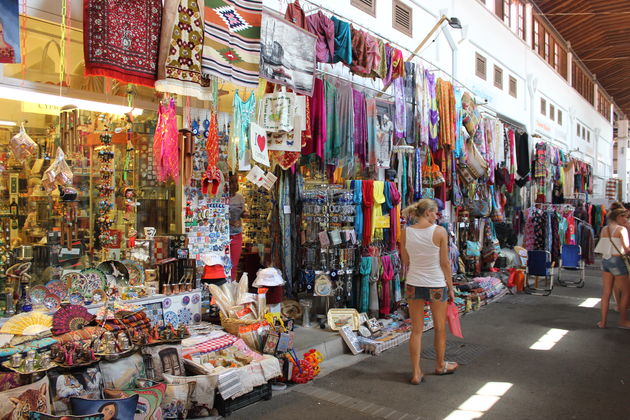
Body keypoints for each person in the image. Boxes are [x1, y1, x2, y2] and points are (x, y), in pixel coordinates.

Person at [401, 198, 458, 385]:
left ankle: (416, 372)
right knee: (440, 327)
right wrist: (451, 288)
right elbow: (444, 263)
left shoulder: (405, 232)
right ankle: (440, 365)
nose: (437, 216)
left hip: (414, 283)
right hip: (435, 284)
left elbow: (405, 261)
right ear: (427, 212)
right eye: (435, 212)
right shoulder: (439, 232)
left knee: (416, 330)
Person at [594, 205, 630, 329]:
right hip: (617, 261)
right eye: (624, 217)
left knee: (606, 292)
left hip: (605, 261)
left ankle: (603, 322)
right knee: (626, 292)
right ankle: (623, 321)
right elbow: (626, 248)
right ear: (619, 217)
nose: (626, 220)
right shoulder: (621, 230)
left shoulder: (605, 229)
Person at [228, 173, 247, 281]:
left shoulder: (240, 198)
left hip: (236, 234)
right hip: (225, 235)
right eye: (231, 182)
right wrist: (230, 222)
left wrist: (245, 214)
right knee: (224, 263)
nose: (233, 185)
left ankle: (232, 283)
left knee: (234, 263)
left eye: (235, 182)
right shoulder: (223, 197)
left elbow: (242, 213)